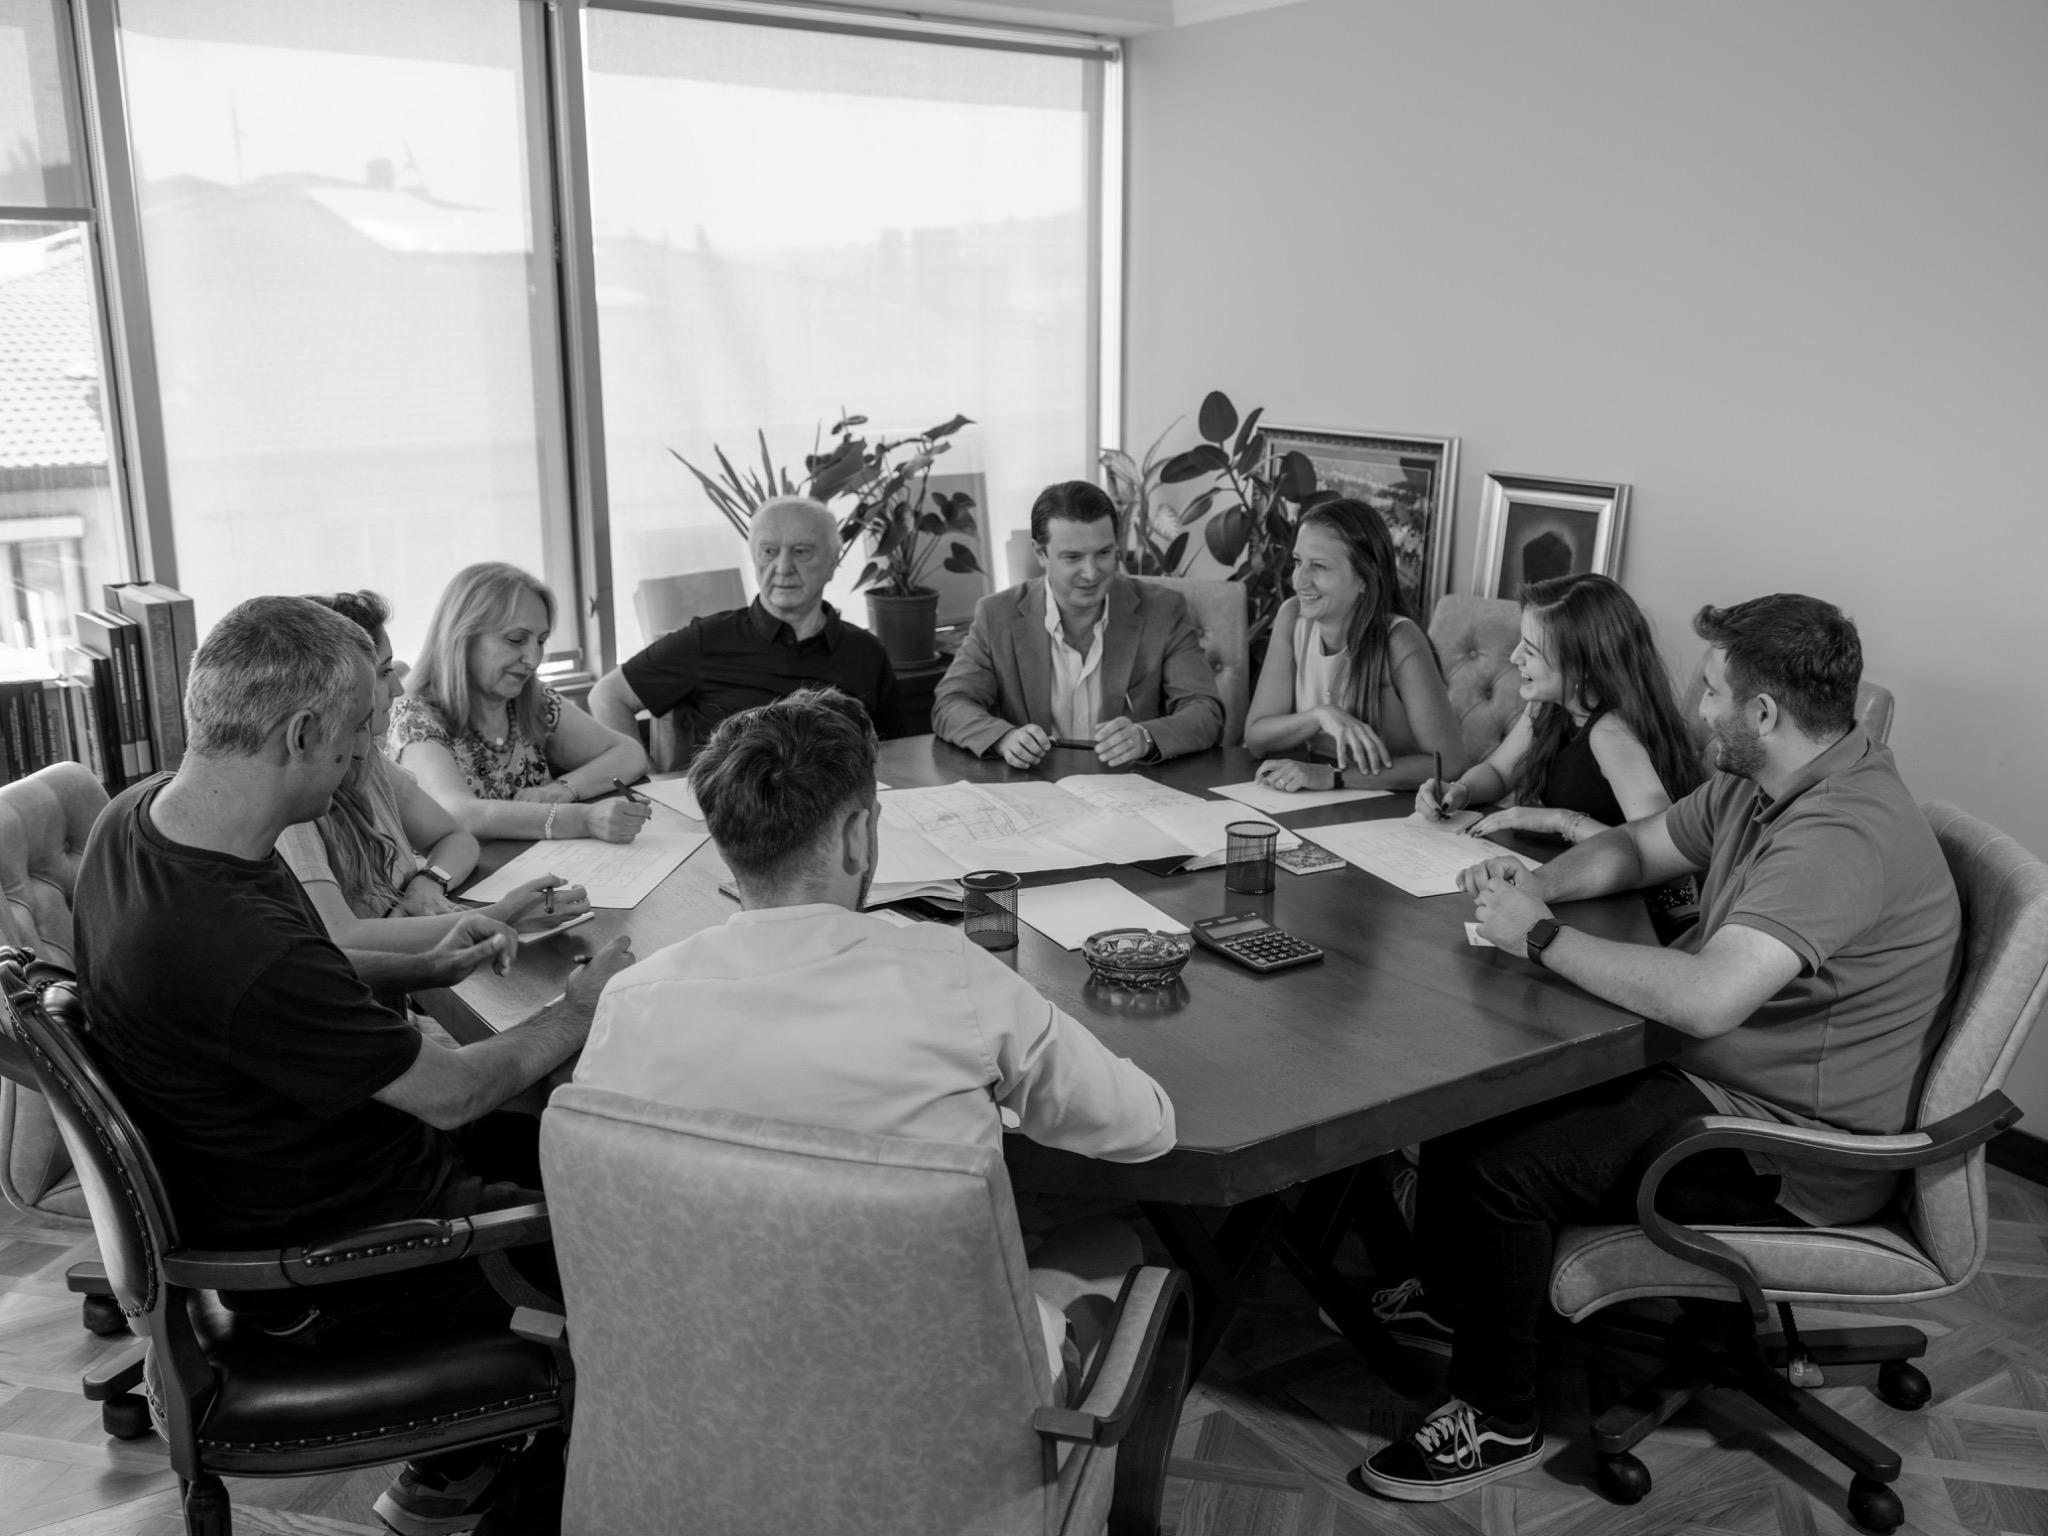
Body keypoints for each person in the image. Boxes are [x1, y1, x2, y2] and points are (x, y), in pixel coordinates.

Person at [1358, 594, 1961, 1503]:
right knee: (1475, 1091)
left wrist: (1541, 939)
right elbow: (1643, 848)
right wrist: (1537, 888)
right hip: (1722, 1083)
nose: (1690, 704)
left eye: (1710, 689)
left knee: (1502, 1164)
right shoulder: (1774, 781)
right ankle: (1468, 1300)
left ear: (1763, 713)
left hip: (1783, 1146)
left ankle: (1496, 1417)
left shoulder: (1841, 832)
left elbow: (1714, 996)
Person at [72, 595, 636, 1536]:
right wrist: (582, 1007)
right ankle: (541, 1482)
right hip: (354, 1267)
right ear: (299, 733)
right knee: (650, 1223)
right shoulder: (238, 945)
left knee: (575, 1136)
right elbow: (450, 1096)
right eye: (357, 735)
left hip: (305, 1179)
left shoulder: (139, 821)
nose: (365, 754)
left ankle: (453, 1468)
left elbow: (291, 980)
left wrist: (430, 963)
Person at [575, 686, 1175, 1387]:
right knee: (1114, 1239)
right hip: (943, 1421)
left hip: (711, 1402)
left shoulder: (631, 1004)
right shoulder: (952, 979)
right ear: (859, 834)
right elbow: (1143, 1129)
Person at [279, 590, 590, 997]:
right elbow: (341, 938)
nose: (397, 687)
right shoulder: (294, 799)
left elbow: (454, 836)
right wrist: (501, 916)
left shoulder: (366, 758)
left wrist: (429, 880)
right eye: (385, 670)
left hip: (414, 979)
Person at [585, 496, 906, 763]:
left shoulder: (865, 652)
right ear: (755, 558)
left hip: (838, 815)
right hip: (734, 818)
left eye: (802, 551)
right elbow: (608, 695)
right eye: (769, 551)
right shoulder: (707, 641)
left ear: (833, 562)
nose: (783, 567)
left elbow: (895, 751)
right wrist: (639, 780)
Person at [932, 480, 1224, 768]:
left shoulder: (1162, 610)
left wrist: (1144, 738)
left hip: (1129, 791)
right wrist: (1004, 738)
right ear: (1040, 553)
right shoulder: (997, 615)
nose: (1091, 573)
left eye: (1104, 553)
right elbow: (950, 704)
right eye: (1073, 557)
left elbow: (1205, 712)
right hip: (1036, 789)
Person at [1414, 572, 1702, 841]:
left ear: (1583, 666)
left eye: (1530, 650)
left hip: (1637, 894)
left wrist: (1560, 821)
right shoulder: (1551, 705)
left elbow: (1660, 846)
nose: (1515, 658)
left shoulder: (1612, 733)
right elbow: (1499, 772)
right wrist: (1460, 791)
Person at [391, 562, 652, 844]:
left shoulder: (533, 699)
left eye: (540, 641)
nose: (533, 658)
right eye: (516, 639)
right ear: (462, 638)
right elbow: (459, 813)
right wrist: (584, 819)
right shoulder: (415, 715)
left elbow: (629, 754)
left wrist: (563, 789)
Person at [1245, 498, 1466, 791]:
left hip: (1393, 810)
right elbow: (1257, 738)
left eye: (1319, 566)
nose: (1299, 580)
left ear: (1365, 577)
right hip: (1326, 804)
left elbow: (1447, 765)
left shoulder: (1399, 640)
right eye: (1298, 561)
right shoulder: (1292, 617)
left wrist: (1332, 776)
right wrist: (1321, 715)